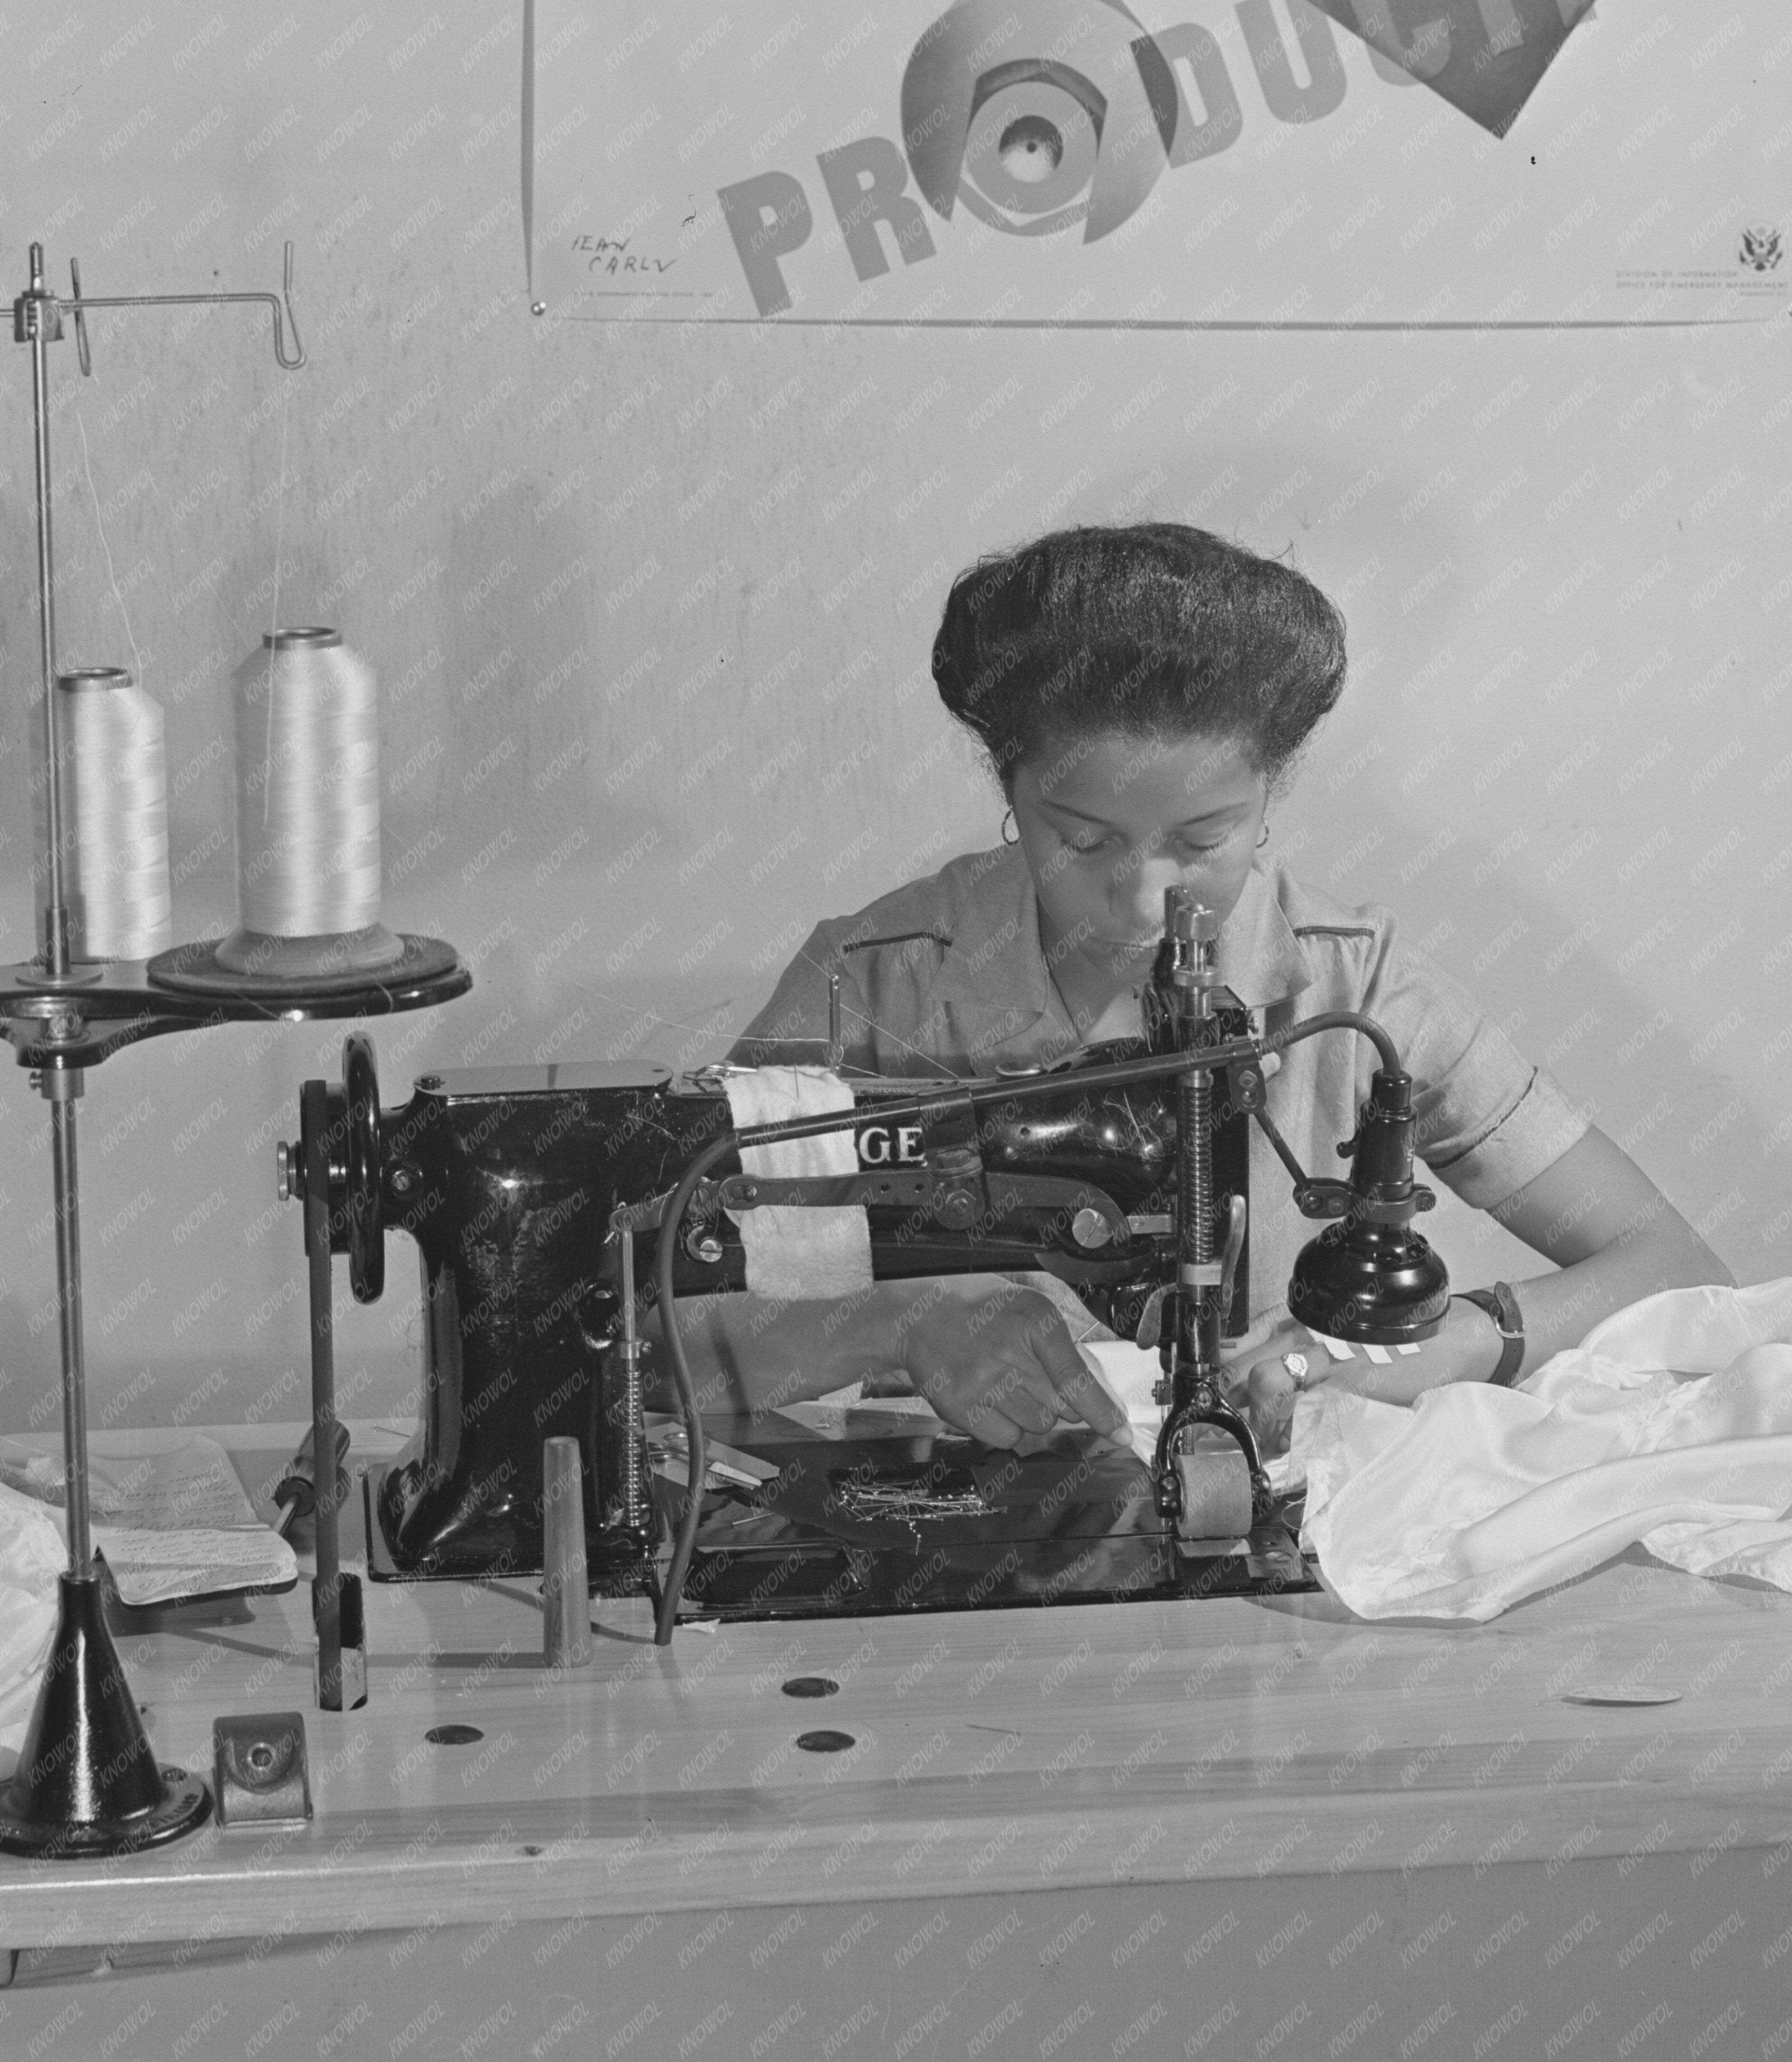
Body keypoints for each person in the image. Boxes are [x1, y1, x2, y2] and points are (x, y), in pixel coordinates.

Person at [666, 522, 1728, 1456]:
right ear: (1009, 790)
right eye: (1081, 838)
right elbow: (641, 1339)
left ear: (1269, 797)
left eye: (1202, 840)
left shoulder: (1352, 984)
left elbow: (1675, 1268)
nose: (1140, 901)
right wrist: (894, 1321)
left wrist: (1454, 1339)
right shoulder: (873, 984)